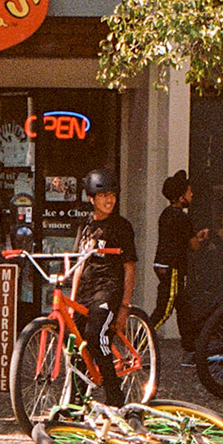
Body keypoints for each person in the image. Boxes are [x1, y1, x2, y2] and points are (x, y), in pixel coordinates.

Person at [67, 168, 137, 408]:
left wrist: (124, 307)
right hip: (86, 290)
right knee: (76, 343)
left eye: (113, 195)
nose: (110, 200)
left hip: (108, 288)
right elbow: (79, 265)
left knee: (96, 336)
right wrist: (72, 301)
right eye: (103, 195)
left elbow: (129, 268)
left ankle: (115, 397)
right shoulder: (86, 226)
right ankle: (77, 402)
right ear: (91, 198)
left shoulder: (122, 226)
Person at [151, 170, 208, 352]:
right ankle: (139, 343)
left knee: (183, 307)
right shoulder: (182, 217)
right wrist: (201, 239)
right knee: (165, 310)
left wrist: (195, 237)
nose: (192, 195)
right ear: (181, 197)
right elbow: (194, 246)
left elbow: (179, 239)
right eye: (189, 192)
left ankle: (190, 345)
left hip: (162, 264)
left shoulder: (166, 214)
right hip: (173, 268)